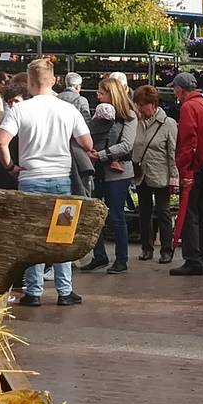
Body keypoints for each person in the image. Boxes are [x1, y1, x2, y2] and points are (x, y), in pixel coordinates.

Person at [0, 57, 91, 307]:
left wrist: (10, 166)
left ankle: (34, 291)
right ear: (54, 80)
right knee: (62, 235)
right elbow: (87, 143)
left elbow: (0, 141)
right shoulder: (68, 109)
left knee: (32, 235)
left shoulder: (20, 109)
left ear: (30, 82)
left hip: (30, 178)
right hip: (61, 178)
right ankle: (65, 290)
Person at [78, 76, 137, 275]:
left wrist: (101, 154)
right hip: (98, 171)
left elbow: (127, 145)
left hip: (117, 173)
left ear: (112, 94)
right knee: (95, 215)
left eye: (101, 93)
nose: (98, 96)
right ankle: (100, 255)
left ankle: (121, 259)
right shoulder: (100, 114)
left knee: (116, 215)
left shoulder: (128, 115)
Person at [169, 72, 203, 277]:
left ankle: (193, 259)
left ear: (180, 89)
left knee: (191, 214)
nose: (175, 93)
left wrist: (184, 167)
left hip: (195, 168)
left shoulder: (189, 107)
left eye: (175, 89)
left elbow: (188, 141)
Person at [132, 85, 178, 264]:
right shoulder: (136, 122)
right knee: (143, 212)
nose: (139, 108)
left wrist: (174, 177)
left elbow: (172, 153)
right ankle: (146, 247)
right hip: (141, 174)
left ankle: (167, 249)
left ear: (152, 104)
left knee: (163, 212)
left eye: (142, 105)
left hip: (160, 175)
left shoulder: (168, 124)